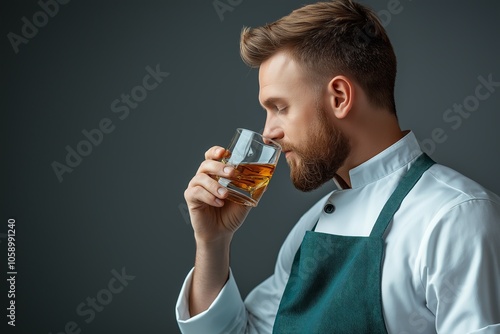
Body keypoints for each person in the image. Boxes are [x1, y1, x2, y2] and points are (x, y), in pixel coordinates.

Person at [175, 0, 500, 332]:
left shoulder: (456, 217)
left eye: (280, 107)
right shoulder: (310, 229)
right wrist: (213, 243)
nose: (269, 132)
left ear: (340, 98)